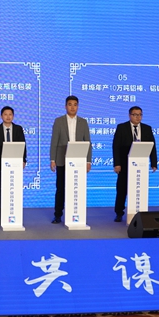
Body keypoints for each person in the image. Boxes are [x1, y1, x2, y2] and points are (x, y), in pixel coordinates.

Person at [49, 95, 91, 224]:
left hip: (78, 160)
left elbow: (88, 142)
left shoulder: (83, 122)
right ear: (65, 106)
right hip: (62, 159)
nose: (72, 107)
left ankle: (76, 213)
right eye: (70, 104)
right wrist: (52, 159)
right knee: (60, 188)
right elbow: (54, 141)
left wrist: (88, 161)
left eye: (75, 105)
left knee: (76, 187)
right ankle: (58, 215)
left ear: (78, 106)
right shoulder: (59, 121)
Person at [112, 106, 157, 222]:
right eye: (135, 115)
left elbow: (152, 146)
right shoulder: (122, 127)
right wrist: (117, 164)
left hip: (141, 165)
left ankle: (139, 211)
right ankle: (119, 212)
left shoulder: (147, 128)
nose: (138, 117)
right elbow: (116, 146)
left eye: (140, 115)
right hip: (124, 165)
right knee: (122, 189)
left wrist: (153, 163)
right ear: (129, 115)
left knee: (139, 188)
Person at [0, 106, 27, 225]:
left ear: (13, 116)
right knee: (0, 190)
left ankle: (14, 214)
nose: (8, 117)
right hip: (0, 164)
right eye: (5, 114)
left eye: (10, 114)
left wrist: (23, 160)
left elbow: (23, 145)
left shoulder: (18, 129)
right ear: (1, 116)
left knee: (13, 189)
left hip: (15, 164)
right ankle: (0, 216)